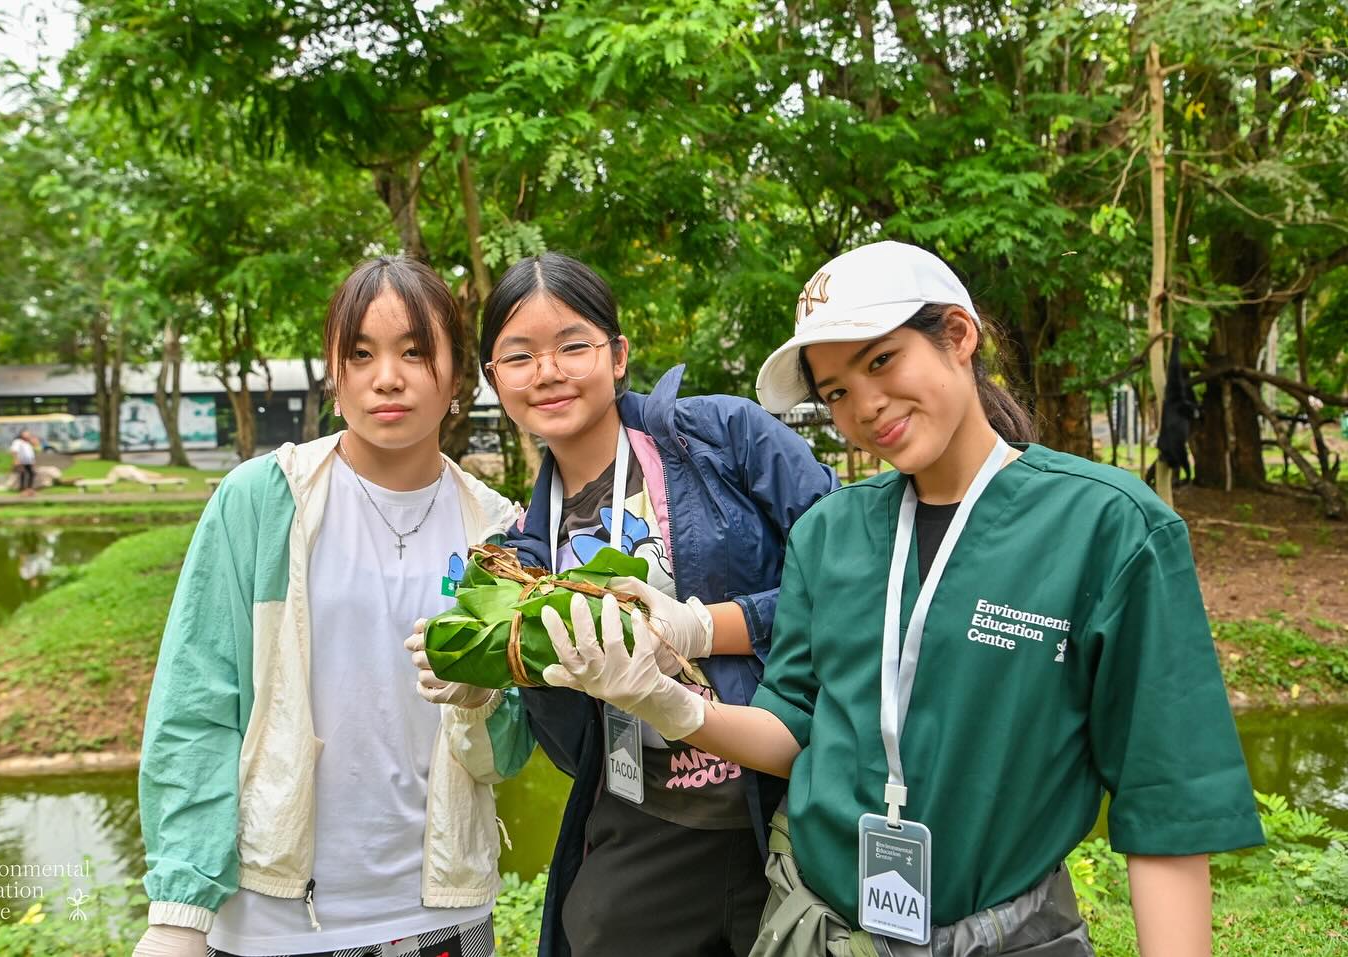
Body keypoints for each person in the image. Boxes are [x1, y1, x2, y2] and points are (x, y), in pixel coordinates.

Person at [544, 241, 1264, 956]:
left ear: (958, 335)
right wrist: (671, 705)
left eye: (882, 360)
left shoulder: (1108, 527)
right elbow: (790, 728)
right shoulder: (830, 533)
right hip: (814, 927)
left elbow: (1166, 802)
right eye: (835, 392)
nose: (865, 405)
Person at [132, 256, 534, 957]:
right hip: (273, 922)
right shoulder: (264, 499)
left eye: (415, 351)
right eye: (361, 354)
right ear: (334, 375)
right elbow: (195, 704)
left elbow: (507, 753)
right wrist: (179, 906)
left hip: (445, 914)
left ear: (457, 378)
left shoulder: (497, 530)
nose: (388, 377)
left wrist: (482, 700)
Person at [453, 252, 837, 957]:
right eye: (520, 356)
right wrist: (496, 671)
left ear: (619, 354)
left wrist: (706, 628)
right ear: (494, 378)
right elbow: (571, 747)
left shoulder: (724, 437)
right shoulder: (525, 554)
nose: (548, 371)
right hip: (646, 822)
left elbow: (854, 579)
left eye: (573, 345)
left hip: (786, 805)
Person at [9, 430, 38, 496]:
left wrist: (33, 460)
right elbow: (14, 451)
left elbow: (32, 451)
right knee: (23, 474)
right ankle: (22, 490)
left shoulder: (28, 442)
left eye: (28, 434)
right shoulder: (18, 441)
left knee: (32, 474)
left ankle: (29, 489)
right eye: (26, 434)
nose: (28, 435)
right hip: (21, 461)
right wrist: (15, 460)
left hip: (29, 462)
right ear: (22, 434)